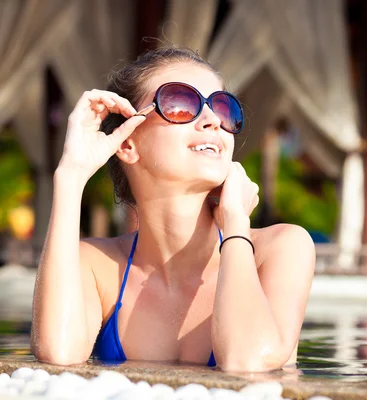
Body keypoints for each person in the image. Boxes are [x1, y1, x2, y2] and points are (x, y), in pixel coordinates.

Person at [30, 47, 316, 372]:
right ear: (127, 143)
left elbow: (245, 361)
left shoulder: (279, 249)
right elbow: (57, 353)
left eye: (223, 108)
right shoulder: (97, 266)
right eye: (180, 104)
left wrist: (236, 221)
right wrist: (70, 176)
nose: (212, 121)